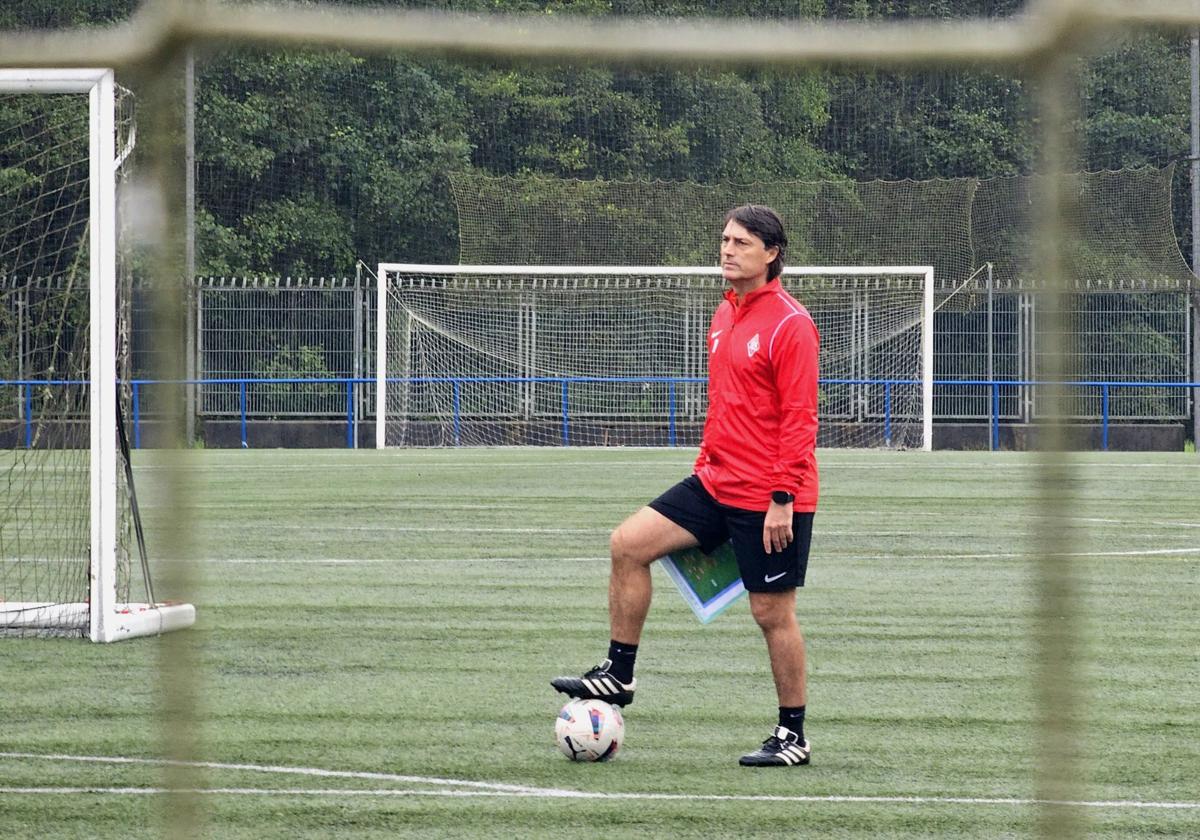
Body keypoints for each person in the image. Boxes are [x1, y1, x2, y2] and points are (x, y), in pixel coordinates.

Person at [552, 204, 820, 767]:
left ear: (771, 254)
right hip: (715, 481)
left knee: (772, 613)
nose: (727, 250)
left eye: (741, 242)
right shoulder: (723, 317)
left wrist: (781, 500)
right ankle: (618, 675)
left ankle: (792, 735)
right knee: (628, 543)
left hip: (770, 495)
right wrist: (706, 462)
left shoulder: (791, 324)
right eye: (724, 239)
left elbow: (799, 419)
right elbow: (725, 405)